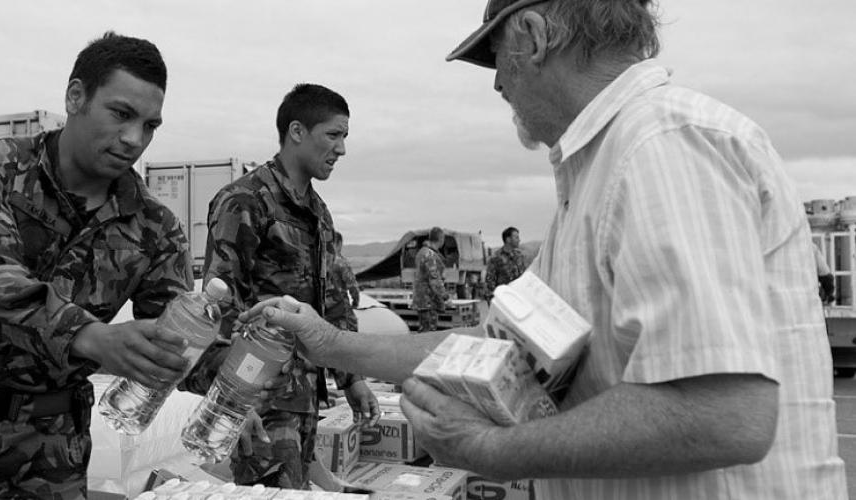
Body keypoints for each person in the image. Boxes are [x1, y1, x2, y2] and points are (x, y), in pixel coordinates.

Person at [238, 0, 846, 497]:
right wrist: (330, 342)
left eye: (496, 59)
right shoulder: (604, 168)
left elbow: (721, 415)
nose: (499, 82)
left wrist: (490, 450)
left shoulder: (662, 145)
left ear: (531, 35)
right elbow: (501, 353)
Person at [0, 32, 195, 499]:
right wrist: (90, 337)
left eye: (150, 125)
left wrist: (234, 370)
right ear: (75, 96)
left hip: (49, 460)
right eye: (121, 114)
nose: (135, 139)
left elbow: (174, 337)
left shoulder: (157, 228)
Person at [180, 84, 379, 490]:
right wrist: (233, 399)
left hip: (303, 396)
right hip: (261, 399)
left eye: (345, 137)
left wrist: (351, 378)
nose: (341, 149)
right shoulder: (245, 201)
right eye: (334, 135)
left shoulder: (317, 212)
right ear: (297, 132)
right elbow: (221, 303)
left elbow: (332, 304)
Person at [412, 227, 450, 332]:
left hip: (422, 299)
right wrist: (445, 296)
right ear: (441, 239)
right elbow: (435, 279)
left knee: (424, 329)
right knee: (429, 332)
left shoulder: (422, 252)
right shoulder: (430, 255)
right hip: (428, 300)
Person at [330, 231, 361, 332]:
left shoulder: (321, 260)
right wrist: (355, 302)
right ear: (338, 243)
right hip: (340, 304)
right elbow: (352, 286)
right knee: (352, 329)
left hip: (323, 305)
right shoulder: (341, 262)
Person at [484, 226, 526, 298]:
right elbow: (490, 282)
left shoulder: (519, 255)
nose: (519, 240)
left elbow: (524, 276)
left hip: (519, 297)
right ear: (508, 239)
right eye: (516, 237)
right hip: (504, 298)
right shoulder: (496, 258)